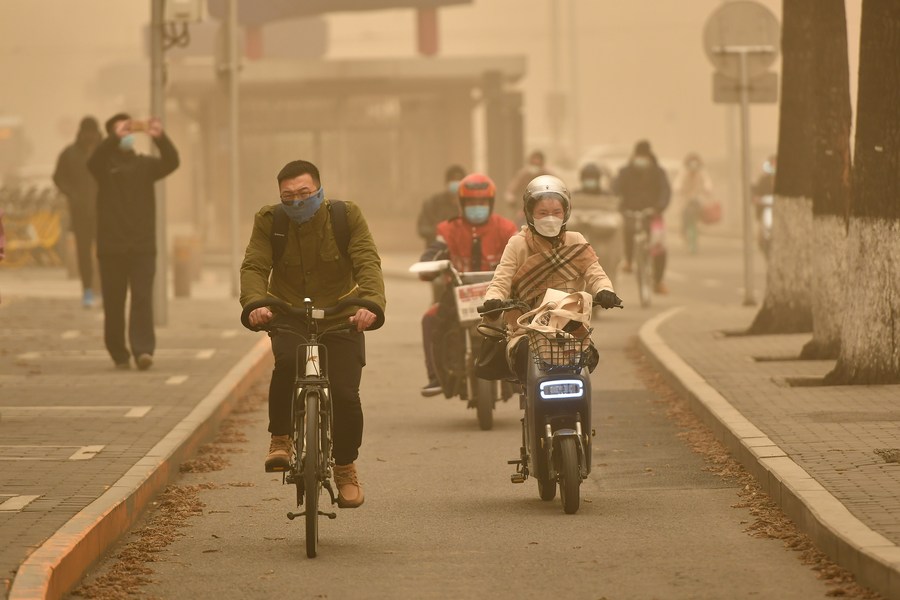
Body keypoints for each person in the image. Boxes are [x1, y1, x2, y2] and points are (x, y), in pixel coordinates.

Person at [240, 159, 385, 508]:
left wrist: (370, 304)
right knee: (287, 362)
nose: (297, 201)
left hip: (342, 315)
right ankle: (280, 439)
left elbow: (368, 261)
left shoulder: (345, 217)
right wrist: (257, 304)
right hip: (289, 313)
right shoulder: (269, 220)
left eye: (305, 193)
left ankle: (345, 467)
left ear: (320, 190)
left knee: (345, 394)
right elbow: (255, 266)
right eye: (288, 196)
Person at [482, 175, 621, 377]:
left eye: (556, 212)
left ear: (566, 213)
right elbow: (501, 281)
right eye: (543, 213)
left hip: (570, 327)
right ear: (530, 214)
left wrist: (605, 291)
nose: (550, 218)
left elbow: (596, 274)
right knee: (522, 356)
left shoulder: (576, 240)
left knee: (586, 360)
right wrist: (492, 299)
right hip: (527, 329)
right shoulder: (517, 244)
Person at [87, 114, 179, 370]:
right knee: (114, 302)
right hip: (111, 247)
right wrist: (112, 137)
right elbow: (92, 162)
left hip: (142, 247)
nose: (128, 134)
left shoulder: (145, 165)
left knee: (141, 298)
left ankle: (142, 350)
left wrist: (159, 137)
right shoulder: (103, 167)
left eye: (130, 129)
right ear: (111, 134)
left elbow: (172, 162)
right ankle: (118, 352)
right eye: (122, 130)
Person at [418, 173, 518, 396]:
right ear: (462, 203)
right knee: (430, 319)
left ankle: (522, 373)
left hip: (501, 297)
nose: (477, 207)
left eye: (482, 202)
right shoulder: (448, 229)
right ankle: (436, 377)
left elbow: (522, 254)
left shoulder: (506, 228)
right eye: (472, 203)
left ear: (491, 203)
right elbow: (435, 250)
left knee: (525, 319)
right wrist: (427, 264)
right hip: (457, 296)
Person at [54, 116, 102, 308]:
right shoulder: (70, 154)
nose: (89, 137)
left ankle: (105, 291)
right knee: (83, 255)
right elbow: (58, 177)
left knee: (106, 254)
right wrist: (72, 194)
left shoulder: (106, 152)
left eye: (92, 133)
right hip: (80, 213)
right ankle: (88, 291)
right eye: (86, 133)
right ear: (81, 133)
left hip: (104, 213)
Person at [613, 140, 672, 294]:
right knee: (626, 230)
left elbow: (665, 192)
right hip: (630, 212)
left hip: (653, 214)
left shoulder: (658, 173)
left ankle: (658, 281)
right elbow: (615, 188)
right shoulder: (625, 172)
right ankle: (629, 261)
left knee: (659, 247)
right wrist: (617, 204)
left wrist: (659, 208)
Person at [672, 152, 713, 255]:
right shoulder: (683, 173)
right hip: (685, 201)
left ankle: (697, 231)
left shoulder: (702, 173)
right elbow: (677, 184)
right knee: (684, 219)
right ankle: (684, 233)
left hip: (697, 200)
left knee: (697, 219)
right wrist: (679, 189)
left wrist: (707, 189)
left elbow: (707, 183)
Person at [416, 164, 466, 247]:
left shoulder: (468, 204)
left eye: (459, 180)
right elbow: (422, 229)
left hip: (462, 252)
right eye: (453, 180)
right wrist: (442, 232)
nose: (456, 183)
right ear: (446, 183)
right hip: (436, 250)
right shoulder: (433, 203)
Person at [504, 150, 555, 221]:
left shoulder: (548, 175)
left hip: (545, 209)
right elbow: (511, 190)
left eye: (538, 164)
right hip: (525, 209)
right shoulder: (523, 175)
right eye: (533, 164)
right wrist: (511, 198)